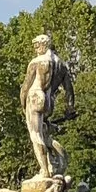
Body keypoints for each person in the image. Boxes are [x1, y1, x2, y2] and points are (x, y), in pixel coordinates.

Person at [19, 34, 74, 180]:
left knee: (35, 135)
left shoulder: (37, 62)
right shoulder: (60, 64)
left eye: (37, 45)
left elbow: (25, 87)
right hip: (49, 100)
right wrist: (70, 108)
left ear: (44, 45)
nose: (36, 49)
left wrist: (23, 104)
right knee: (44, 134)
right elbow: (69, 89)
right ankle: (54, 164)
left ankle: (44, 171)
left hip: (35, 96)